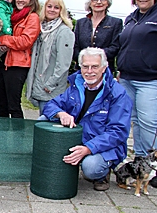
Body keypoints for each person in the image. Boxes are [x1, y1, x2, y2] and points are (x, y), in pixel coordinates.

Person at [42, 47, 132, 191]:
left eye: (95, 66)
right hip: (79, 137)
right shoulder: (76, 85)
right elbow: (51, 105)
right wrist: (61, 113)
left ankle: (103, 173)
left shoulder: (118, 94)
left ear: (104, 67)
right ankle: (55, 162)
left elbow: (118, 132)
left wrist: (89, 148)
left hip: (102, 146)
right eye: (85, 66)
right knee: (42, 119)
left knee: (91, 168)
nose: (89, 71)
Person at [116, 0, 157, 189]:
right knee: (135, 121)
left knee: (149, 122)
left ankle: (156, 169)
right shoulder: (132, 18)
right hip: (128, 78)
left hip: (153, 79)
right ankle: (141, 163)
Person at [0, 0, 41, 118]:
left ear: (31, 0)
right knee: (0, 105)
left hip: (17, 65)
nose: (20, 0)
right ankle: (2, 136)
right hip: (1, 62)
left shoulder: (32, 17)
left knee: (13, 105)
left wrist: (3, 40)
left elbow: (25, 41)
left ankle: (18, 137)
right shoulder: (10, 15)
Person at [26, 0, 74, 115]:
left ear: (61, 11)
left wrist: (50, 84)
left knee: (48, 122)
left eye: (56, 7)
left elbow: (63, 63)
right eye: (49, 6)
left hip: (51, 88)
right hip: (39, 84)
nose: (52, 10)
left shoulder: (64, 32)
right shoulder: (41, 29)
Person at [73, 0, 122, 74]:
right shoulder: (80, 23)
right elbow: (75, 46)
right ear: (90, 3)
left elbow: (115, 47)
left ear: (108, 2)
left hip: (105, 71)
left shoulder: (116, 22)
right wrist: (84, 59)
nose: (99, 2)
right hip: (82, 71)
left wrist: (96, 58)